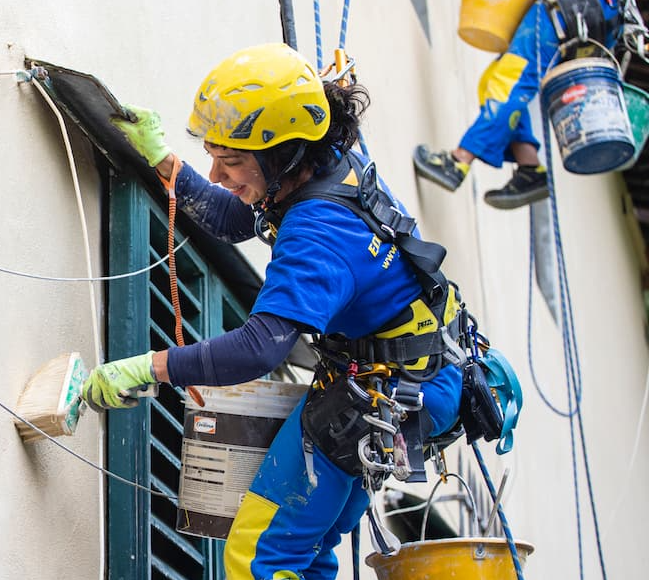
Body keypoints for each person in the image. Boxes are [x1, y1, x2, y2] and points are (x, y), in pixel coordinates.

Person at [85, 43, 465, 580]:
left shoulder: (318, 232)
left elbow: (259, 348)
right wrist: (161, 159)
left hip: (387, 390)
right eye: (213, 155)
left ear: (283, 152)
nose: (216, 174)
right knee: (304, 554)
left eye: (232, 160)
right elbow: (232, 217)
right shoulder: (325, 167)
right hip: (410, 380)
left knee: (259, 551)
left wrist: (148, 367)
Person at [413, 0, 625, 209]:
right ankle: (530, 167)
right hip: (589, 18)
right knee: (495, 81)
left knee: (509, 83)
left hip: (566, 12)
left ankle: (459, 161)